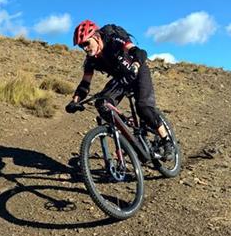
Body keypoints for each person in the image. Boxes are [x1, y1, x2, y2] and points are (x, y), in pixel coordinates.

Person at [65, 19, 174, 160]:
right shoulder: (91, 60)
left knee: (143, 108)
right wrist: (75, 101)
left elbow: (139, 52)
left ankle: (167, 142)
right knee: (102, 104)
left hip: (138, 71)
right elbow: (85, 84)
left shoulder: (114, 40)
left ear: (97, 37)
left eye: (86, 43)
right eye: (81, 46)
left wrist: (134, 66)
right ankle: (130, 130)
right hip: (120, 79)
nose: (85, 48)